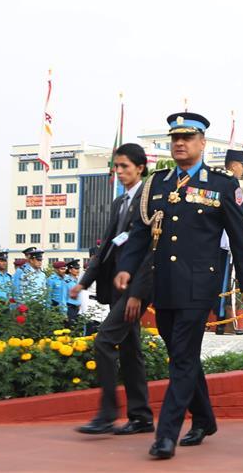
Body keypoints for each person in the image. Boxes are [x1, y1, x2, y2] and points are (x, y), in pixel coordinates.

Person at [115, 113, 243, 460]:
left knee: (180, 358)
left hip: (199, 285)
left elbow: (240, 235)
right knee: (183, 355)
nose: (180, 143)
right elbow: (140, 232)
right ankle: (206, 419)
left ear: (202, 143)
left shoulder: (222, 185)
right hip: (163, 284)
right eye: (175, 137)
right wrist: (126, 269)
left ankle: (166, 435)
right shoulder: (158, 183)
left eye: (188, 137)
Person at [73, 143, 156, 436]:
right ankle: (141, 417)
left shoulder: (150, 200)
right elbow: (108, 244)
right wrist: (84, 281)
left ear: (140, 167)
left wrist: (137, 292)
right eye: (116, 167)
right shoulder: (120, 202)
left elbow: (151, 251)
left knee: (104, 341)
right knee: (131, 349)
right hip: (116, 287)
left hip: (136, 288)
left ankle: (107, 414)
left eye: (125, 167)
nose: (119, 172)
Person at [215, 145, 243, 335]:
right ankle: (222, 321)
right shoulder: (232, 184)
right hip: (225, 241)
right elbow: (238, 216)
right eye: (242, 165)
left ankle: (221, 321)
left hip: (217, 240)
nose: (242, 169)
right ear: (234, 165)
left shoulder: (218, 182)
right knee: (224, 282)